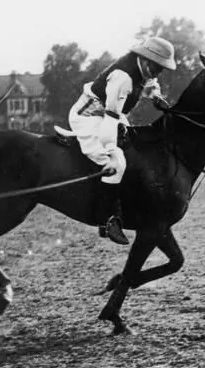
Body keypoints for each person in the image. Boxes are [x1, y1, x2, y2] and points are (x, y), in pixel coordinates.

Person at [68, 37, 176, 244]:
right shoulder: (123, 78)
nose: (158, 72)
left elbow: (151, 84)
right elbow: (110, 119)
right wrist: (110, 148)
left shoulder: (145, 68)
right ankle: (107, 220)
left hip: (111, 115)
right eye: (157, 67)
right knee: (116, 162)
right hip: (90, 117)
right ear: (145, 59)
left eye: (162, 68)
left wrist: (156, 97)